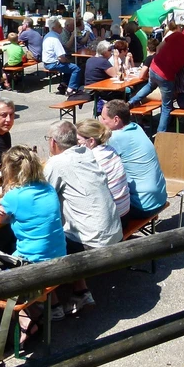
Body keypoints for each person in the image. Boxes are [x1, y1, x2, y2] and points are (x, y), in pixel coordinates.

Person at [44, 120, 122, 312]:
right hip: (114, 231)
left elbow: (41, 198)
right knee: (71, 221)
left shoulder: (57, 163)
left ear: (53, 142)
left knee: (43, 237)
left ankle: (51, 305)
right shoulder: (86, 153)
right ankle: (81, 292)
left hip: (93, 241)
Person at [0, 146, 66, 262]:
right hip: (60, 254)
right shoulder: (49, 188)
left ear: (10, 170)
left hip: (32, 260)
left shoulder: (14, 196)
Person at [99, 100, 167, 219]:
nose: (100, 121)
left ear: (116, 120)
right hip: (159, 198)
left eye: (104, 119)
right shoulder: (136, 127)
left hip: (142, 206)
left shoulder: (116, 137)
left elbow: (96, 159)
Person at [147, 26, 184, 136]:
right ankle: (161, 134)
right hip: (181, 92)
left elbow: (159, 48)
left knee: (154, 92)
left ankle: (131, 102)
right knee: (166, 107)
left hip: (159, 71)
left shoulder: (178, 36)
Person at [76, 118, 130, 219]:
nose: (75, 144)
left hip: (113, 218)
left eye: (78, 140)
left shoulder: (92, 160)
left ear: (91, 141)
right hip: (124, 210)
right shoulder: (110, 149)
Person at [43, 19, 82, 96]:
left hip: (47, 62)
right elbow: (61, 57)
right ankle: (70, 89)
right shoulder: (55, 39)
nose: (62, 27)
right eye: (59, 26)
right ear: (53, 28)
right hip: (53, 63)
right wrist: (67, 61)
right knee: (76, 68)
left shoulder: (48, 35)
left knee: (69, 66)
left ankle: (63, 84)